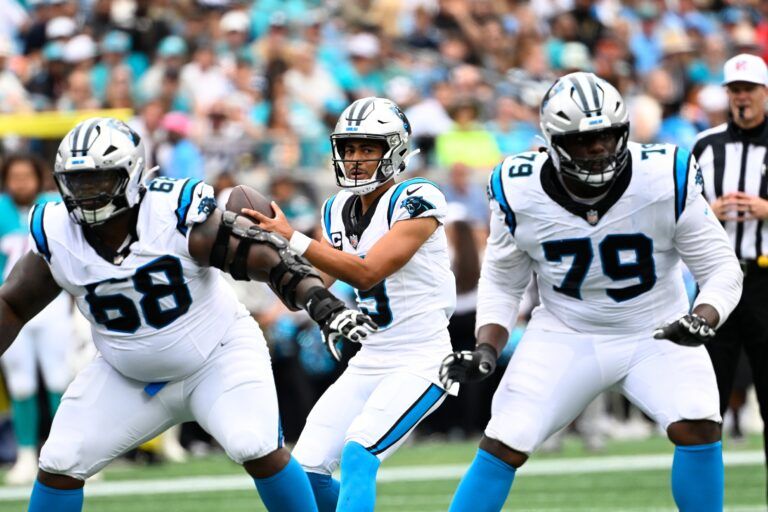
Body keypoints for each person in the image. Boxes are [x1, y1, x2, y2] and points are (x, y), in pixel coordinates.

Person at [0, 117, 377, 512]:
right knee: (60, 459)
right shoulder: (57, 229)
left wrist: (321, 302)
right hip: (127, 374)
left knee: (254, 443)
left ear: (130, 176)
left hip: (217, 356)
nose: (84, 195)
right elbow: (12, 303)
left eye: (97, 181)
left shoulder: (171, 213)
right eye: (75, 183)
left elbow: (260, 255)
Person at [440, 72, 743, 512]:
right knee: (506, 438)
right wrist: (487, 345)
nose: (598, 148)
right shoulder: (518, 187)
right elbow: (504, 280)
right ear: (552, 142)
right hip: (567, 331)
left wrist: (704, 316)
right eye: (583, 141)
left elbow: (721, 268)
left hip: (657, 331)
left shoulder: (664, 175)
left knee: (698, 422)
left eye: (606, 136)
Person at [243, 96, 456, 512]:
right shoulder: (336, 208)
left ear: (395, 150)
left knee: (361, 453)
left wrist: (293, 238)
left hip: (421, 358)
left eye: (368, 148)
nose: (356, 158)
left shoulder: (418, 197)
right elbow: (312, 284)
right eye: (349, 148)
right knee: (305, 470)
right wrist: (259, 256)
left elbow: (367, 271)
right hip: (369, 358)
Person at [692, 53, 768, 501]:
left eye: (749, 91)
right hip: (717, 280)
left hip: (765, 282)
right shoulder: (705, 145)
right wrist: (708, 212)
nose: (742, 99)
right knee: (705, 399)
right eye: (735, 91)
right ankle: (705, 501)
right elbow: (680, 208)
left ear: (764, 94)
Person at [0, 154, 74, 485]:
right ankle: (27, 454)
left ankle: (68, 453)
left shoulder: (55, 206)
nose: (20, 183)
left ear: (38, 177)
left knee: (60, 380)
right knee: (22, 383)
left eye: (25, 176)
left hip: (52, 304)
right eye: (14, 177)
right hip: (7, 305)